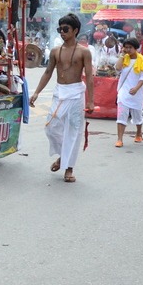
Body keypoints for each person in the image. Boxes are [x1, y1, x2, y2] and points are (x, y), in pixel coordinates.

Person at [30, 13, 95, 183]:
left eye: (65, 29)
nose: (62, 32)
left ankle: (69, 168)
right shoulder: (55, 51)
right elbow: (47, 72)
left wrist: (91, 100)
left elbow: (89, 76)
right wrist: (36, 92)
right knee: (51, 127)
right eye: (60, 29)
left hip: (75, 94)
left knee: (73, 132)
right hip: (59, 92)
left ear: (75, 31)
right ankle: (62, 156)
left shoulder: (84, 52)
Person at [114, 37, 143, 147]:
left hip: (136, 93)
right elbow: (118, 68)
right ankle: (119, 139)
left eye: (130, 47)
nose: (128, 50)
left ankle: (138, 133)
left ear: (136, 48)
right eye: (126, 47)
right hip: (124, 92)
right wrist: (121, 55)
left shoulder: (142, 60)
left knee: (137, 116)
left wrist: (136, 88)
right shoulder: (124, 59)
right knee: (121, 115)